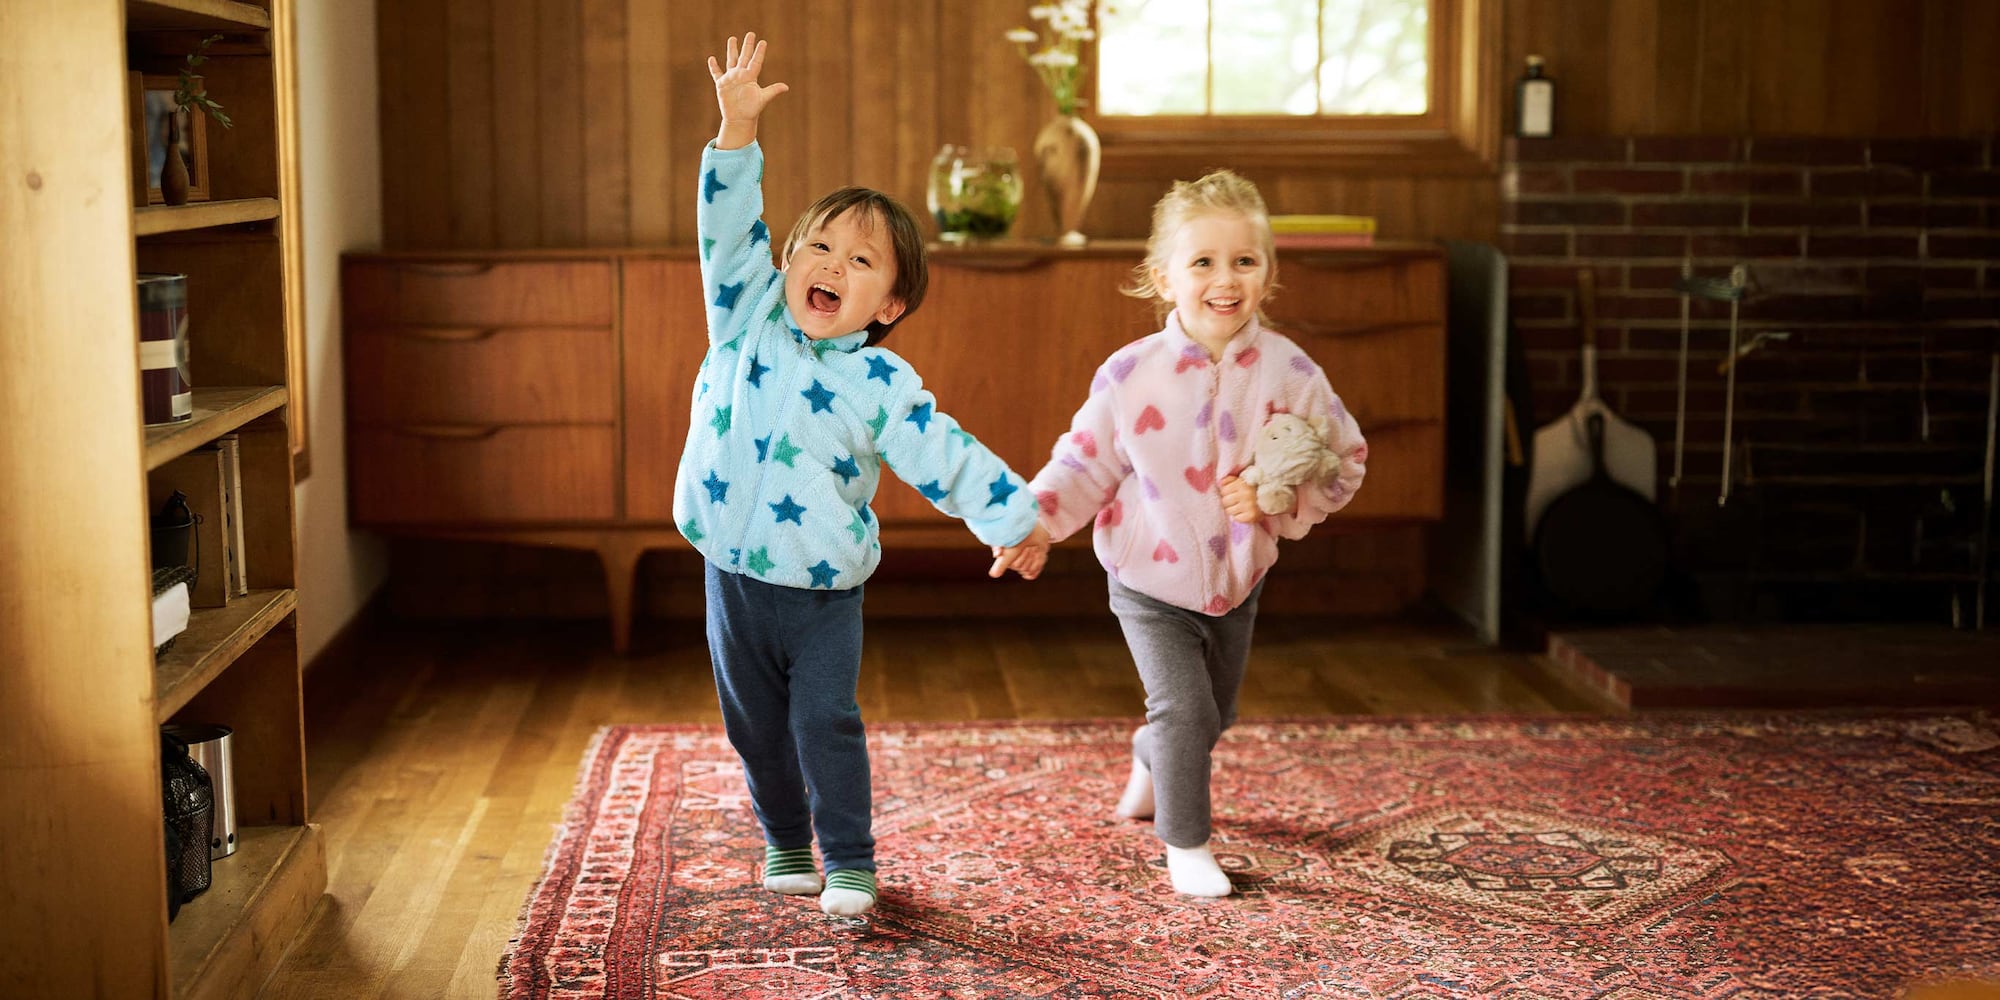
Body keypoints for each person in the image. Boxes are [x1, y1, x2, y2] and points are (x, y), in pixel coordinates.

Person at [678, 32, 1050, 918]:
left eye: (859, 260)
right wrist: (735, 132)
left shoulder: (881, 384)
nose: (830, 266)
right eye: (818, 246)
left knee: (824, 725)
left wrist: (1016, 519)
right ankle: (784, 841)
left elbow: (944, 455)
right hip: (729, 576)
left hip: (820, 597)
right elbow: (727, 226)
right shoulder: (744, 315)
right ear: (785, 258)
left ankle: (848, 858)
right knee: (754, 730)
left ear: (887, 305)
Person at [1026, 169, 1367, 897]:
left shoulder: (1292, 371)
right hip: (1146, 577)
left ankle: (1153, 757)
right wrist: (1033, 524)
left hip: (1237, 577)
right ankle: (1185, 843)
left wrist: (1275, 504)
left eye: (1245, 261)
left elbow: (1343, 461)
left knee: (1215, 712)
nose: (1225, 278)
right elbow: (1083, 462)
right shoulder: (1129, 375)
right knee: (1184, 707)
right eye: (1204, 261)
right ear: (1164, 277)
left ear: (1268, 273)